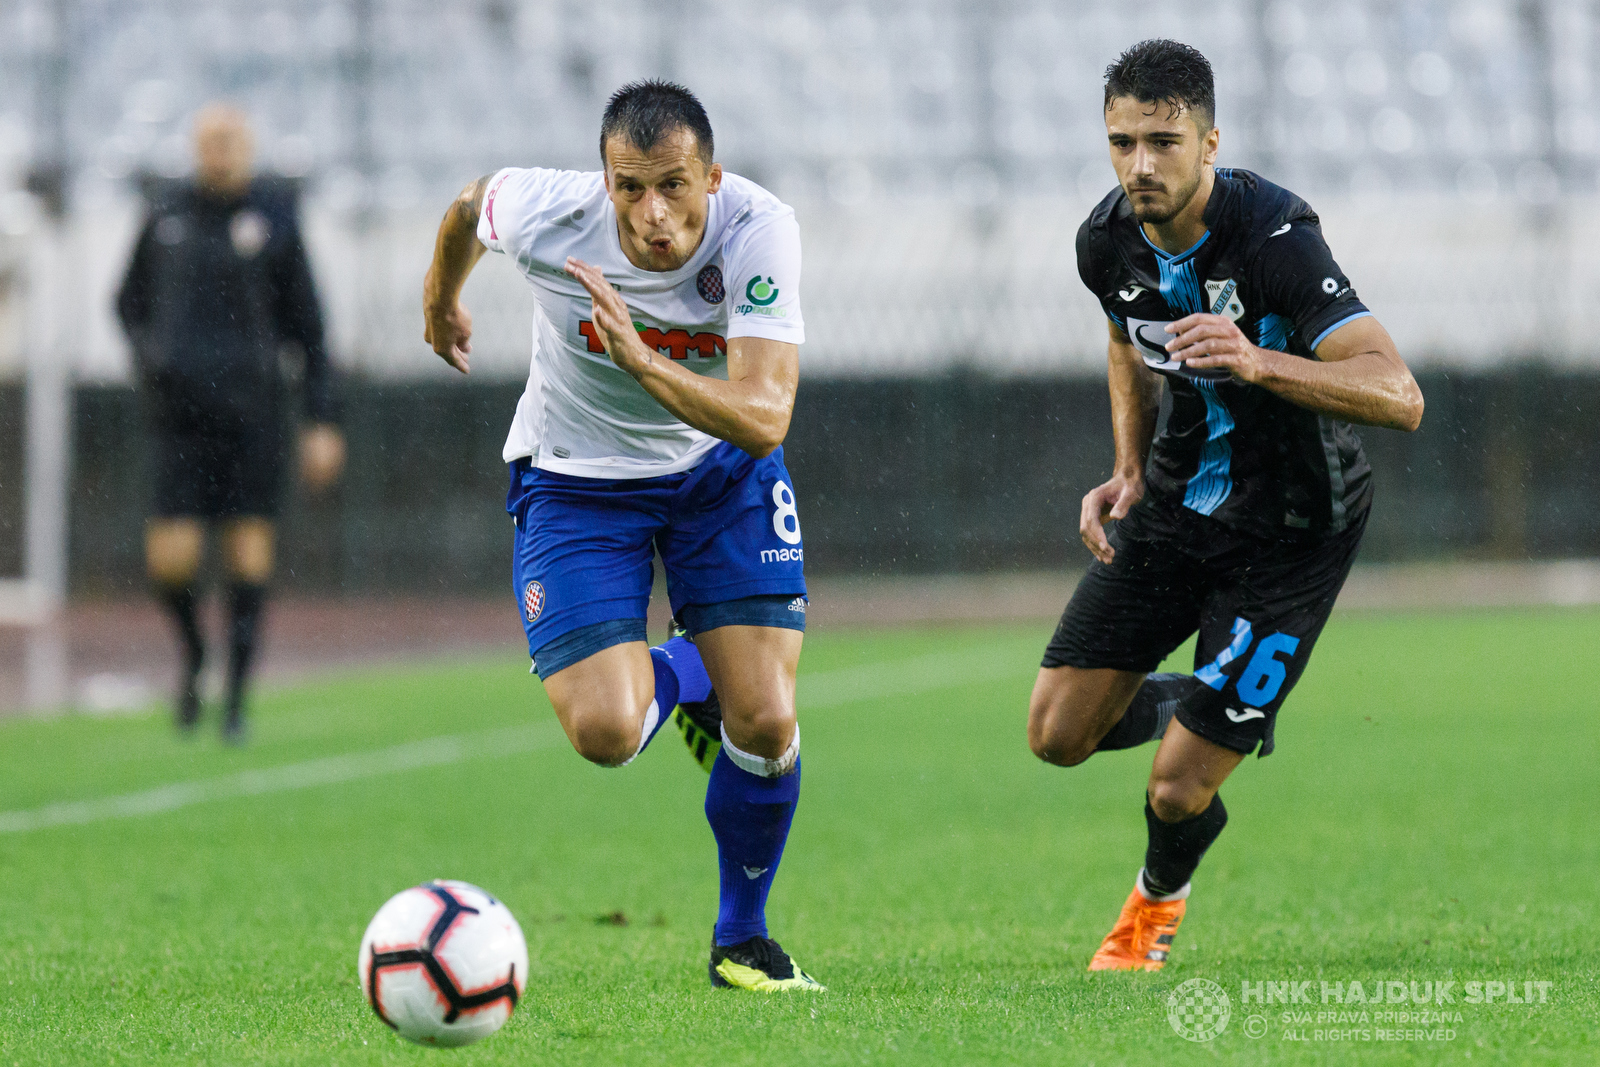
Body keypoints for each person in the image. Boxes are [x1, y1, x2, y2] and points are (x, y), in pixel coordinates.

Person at [1027, 40, 1424, 970]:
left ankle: (1154, 903)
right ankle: (1213, 701)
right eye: (1122, 142)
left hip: (1293, 532)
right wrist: (1126, 467)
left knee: (1174, 792)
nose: (1140, 165)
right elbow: (1127, 339)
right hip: (1172, 507)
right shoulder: (1106, 240)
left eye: (1164, 142)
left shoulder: (1277, 238)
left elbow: (1400, 392)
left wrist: (1257, 359)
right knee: (1055, 736)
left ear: (1212, 143)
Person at [421, 81, 822, 992]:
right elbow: (462, 209)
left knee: (765, 720)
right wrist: (439, 298)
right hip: (576, 481)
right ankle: (690, 671)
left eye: (674, 186)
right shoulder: (547, 212)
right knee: (604, 730)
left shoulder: (759, 230)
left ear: (711, 178)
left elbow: (764, 417)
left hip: (721, 472)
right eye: (630, 188)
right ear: (603, 181)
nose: (653, 214)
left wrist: (642, 360)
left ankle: (741, 939)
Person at [117, 104, 345, 742]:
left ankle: (237, 701)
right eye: (208, 140)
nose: (219, 149)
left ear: (247, 145)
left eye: (230, 139)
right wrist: (151, 359)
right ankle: (194, 656)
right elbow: (126, 300)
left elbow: (310, 328)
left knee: (248, 554)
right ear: (194, 146)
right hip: (177, 419)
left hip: (254, 418)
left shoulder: (274, 215)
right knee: (171, 559)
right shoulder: (165, 213)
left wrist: (322, 419)